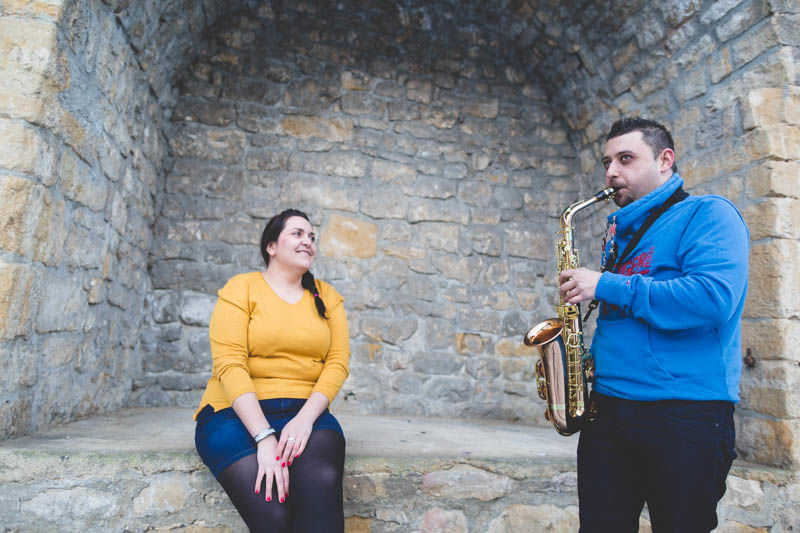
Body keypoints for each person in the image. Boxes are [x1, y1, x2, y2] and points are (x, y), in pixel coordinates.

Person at [559, 117, 749, 532]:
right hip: (608, 413)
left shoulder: (708, 214)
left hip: (684, 415)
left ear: (666, 160)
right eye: (607, 161)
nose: (612, 171)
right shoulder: (619, 233)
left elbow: (711, 299)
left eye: (626, 158)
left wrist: (606, 284)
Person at [194, 208, 350, 533]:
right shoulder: (242, 288)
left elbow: (337, 363)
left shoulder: (328, 297)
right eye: (297, 233)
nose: (307, 241)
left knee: (319, 485)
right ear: (272, 246)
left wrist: (305, 420)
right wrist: (264, 437)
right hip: (233, 414)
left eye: (312, 237)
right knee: (273, 513)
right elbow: (230, 363)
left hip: (305, 413)